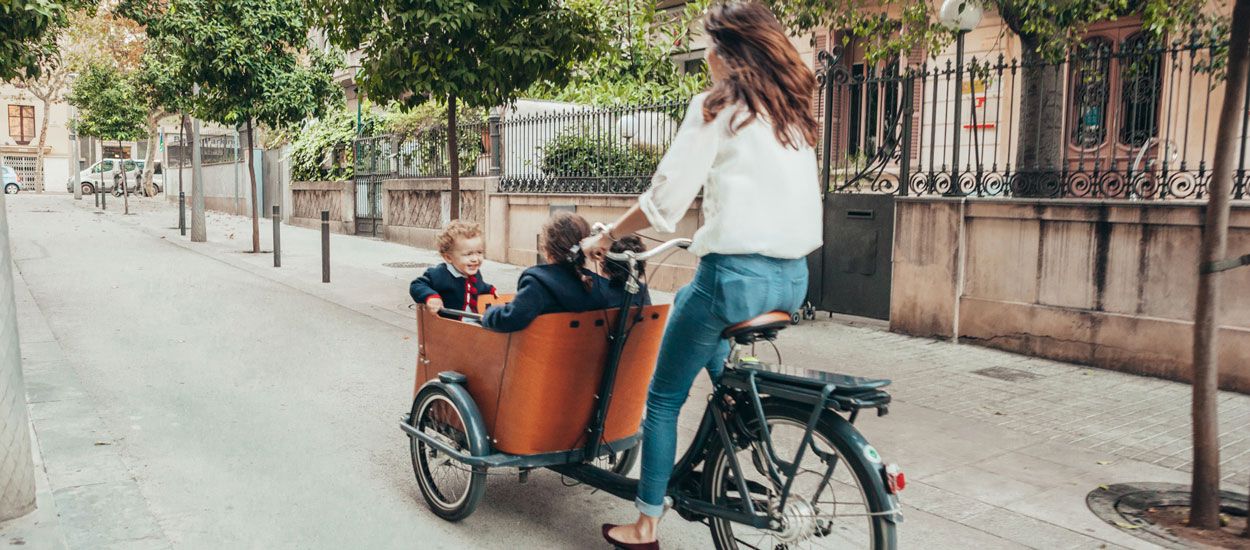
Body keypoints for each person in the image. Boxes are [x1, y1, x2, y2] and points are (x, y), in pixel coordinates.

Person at [579, 3, 823, 548]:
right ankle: (742, 429)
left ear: (727, 53)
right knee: (700, 315)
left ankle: (644, 524)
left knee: (663, 398)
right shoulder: (792, 112)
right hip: (792, 280)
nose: (706, 56)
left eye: (709, 45)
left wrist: (606, 237)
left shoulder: (717, 106)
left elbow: (663, 201)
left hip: (733, 278)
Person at [481, 213, 650, 333]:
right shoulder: (598, 286)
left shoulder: (537, 283)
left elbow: (511, 319)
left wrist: (488, 314)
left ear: (546, 249)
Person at [409, 220, 497, 317]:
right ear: (448, 257)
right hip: (450, 325)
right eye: (468, 254)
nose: (475, 259)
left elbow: (480, 286)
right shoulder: (440, 274)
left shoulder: (475, 274)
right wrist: (431, 296)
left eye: (479, 252)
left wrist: (490, 290)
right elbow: (417, 285)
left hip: (474, 321)